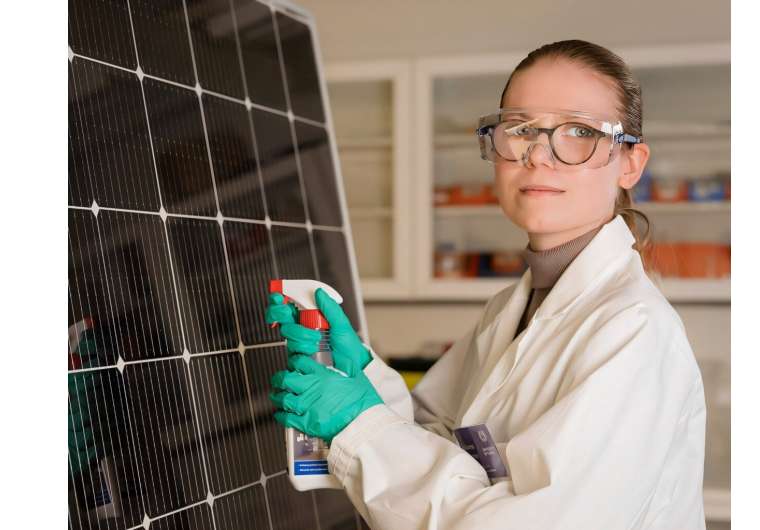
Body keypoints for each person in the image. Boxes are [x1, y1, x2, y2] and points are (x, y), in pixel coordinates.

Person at [267, 39, 706, 530]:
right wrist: (362, 378)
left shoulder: (635, 332)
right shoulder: (510, 310)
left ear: (630, 163)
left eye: (579, 131)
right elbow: (440, 444)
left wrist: (357, 423)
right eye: (520, 129)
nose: (539, 155)